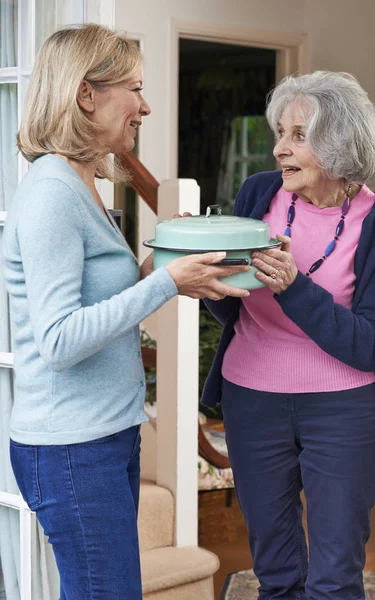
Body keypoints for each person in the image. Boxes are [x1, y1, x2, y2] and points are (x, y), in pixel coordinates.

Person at [2, 24, 250, 600]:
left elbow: (96, 296)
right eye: (133, 90)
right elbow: (61, 340)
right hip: (72, 450)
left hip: (105, 436)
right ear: (86, 94)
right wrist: (165, 282)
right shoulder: (52, 193)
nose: (145, 106)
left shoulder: (84, 183)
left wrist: (162, 267)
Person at [202, 71, 375, 600]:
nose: (280, 148)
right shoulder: (258, 192)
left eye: (298, 135)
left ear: (340, 141)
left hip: (343, 409)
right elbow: (233, 302)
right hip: (251, 398)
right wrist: (206, 276)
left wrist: (294, 287)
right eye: (279, 133)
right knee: (276, 574)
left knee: (334, 578)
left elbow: (372, 342)